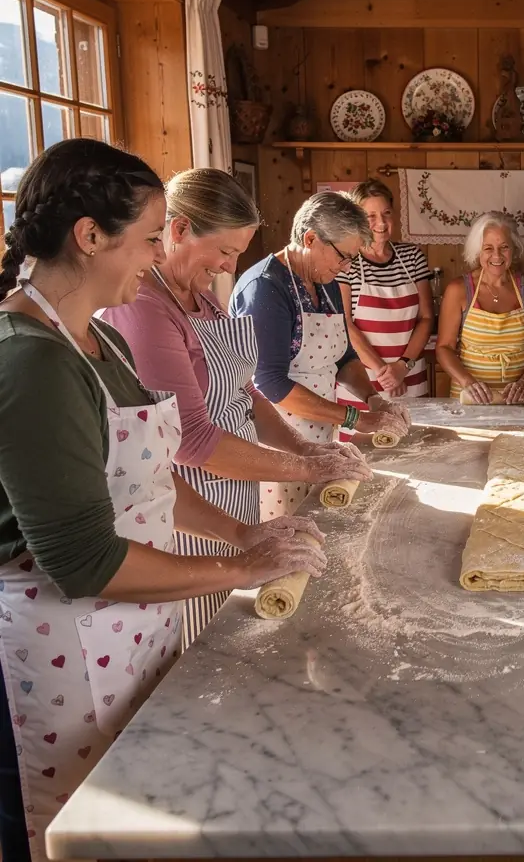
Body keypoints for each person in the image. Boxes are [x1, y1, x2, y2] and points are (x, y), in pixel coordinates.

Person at [0, 140, 326, 860]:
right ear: (90, 237)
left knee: (144, 822)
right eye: (150, 239)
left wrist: (243, 539)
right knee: (84, 829)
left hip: (131, 625)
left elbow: (148, 481)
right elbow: (83, 561)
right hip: (65, 646)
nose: (155, 258)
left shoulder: (96, 342)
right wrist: (240, 573)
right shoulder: (31, 358)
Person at [105, 169, 370, 646]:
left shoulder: (201, 295)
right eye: (225, 251)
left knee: (229, 640)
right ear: (179, 230)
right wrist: (305, 469)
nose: (230, 268)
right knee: (200, 650)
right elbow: (193, 441)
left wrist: (305, 452)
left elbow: (244, 394)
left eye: (236, 254)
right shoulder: (143, 307)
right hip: (188, 517)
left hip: (236, 500)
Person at [231, 193, 408, 519]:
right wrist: (355, 418)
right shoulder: (266, 288)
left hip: (320, 433)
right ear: (310, 238)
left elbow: (342, 357)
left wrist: (373, 399)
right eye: (343, 257)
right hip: (275, 443)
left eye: (352, 259)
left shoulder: (325, 284)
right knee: (283, 533)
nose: (346, 267)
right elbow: (270, 383)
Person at [435, 212, 524, 403]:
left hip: (518, 398)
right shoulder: (459, 290)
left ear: (514, 249)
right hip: (470, 398)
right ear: (477, 251)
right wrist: (468, 383)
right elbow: (444, 348)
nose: (496, 256)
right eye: (488, 248)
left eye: (504, 247)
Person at [337, 180, 433, 404]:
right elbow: (345, 325)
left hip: (409, 376)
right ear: (357, 219)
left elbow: (426, 317)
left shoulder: (413, 257)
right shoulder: (346, 260)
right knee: (360, 439)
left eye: (386, 213)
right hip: (362, 382)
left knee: (418, 437)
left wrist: (403, 366)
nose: (380, 222)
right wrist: (384, 373)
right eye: (370, 216)